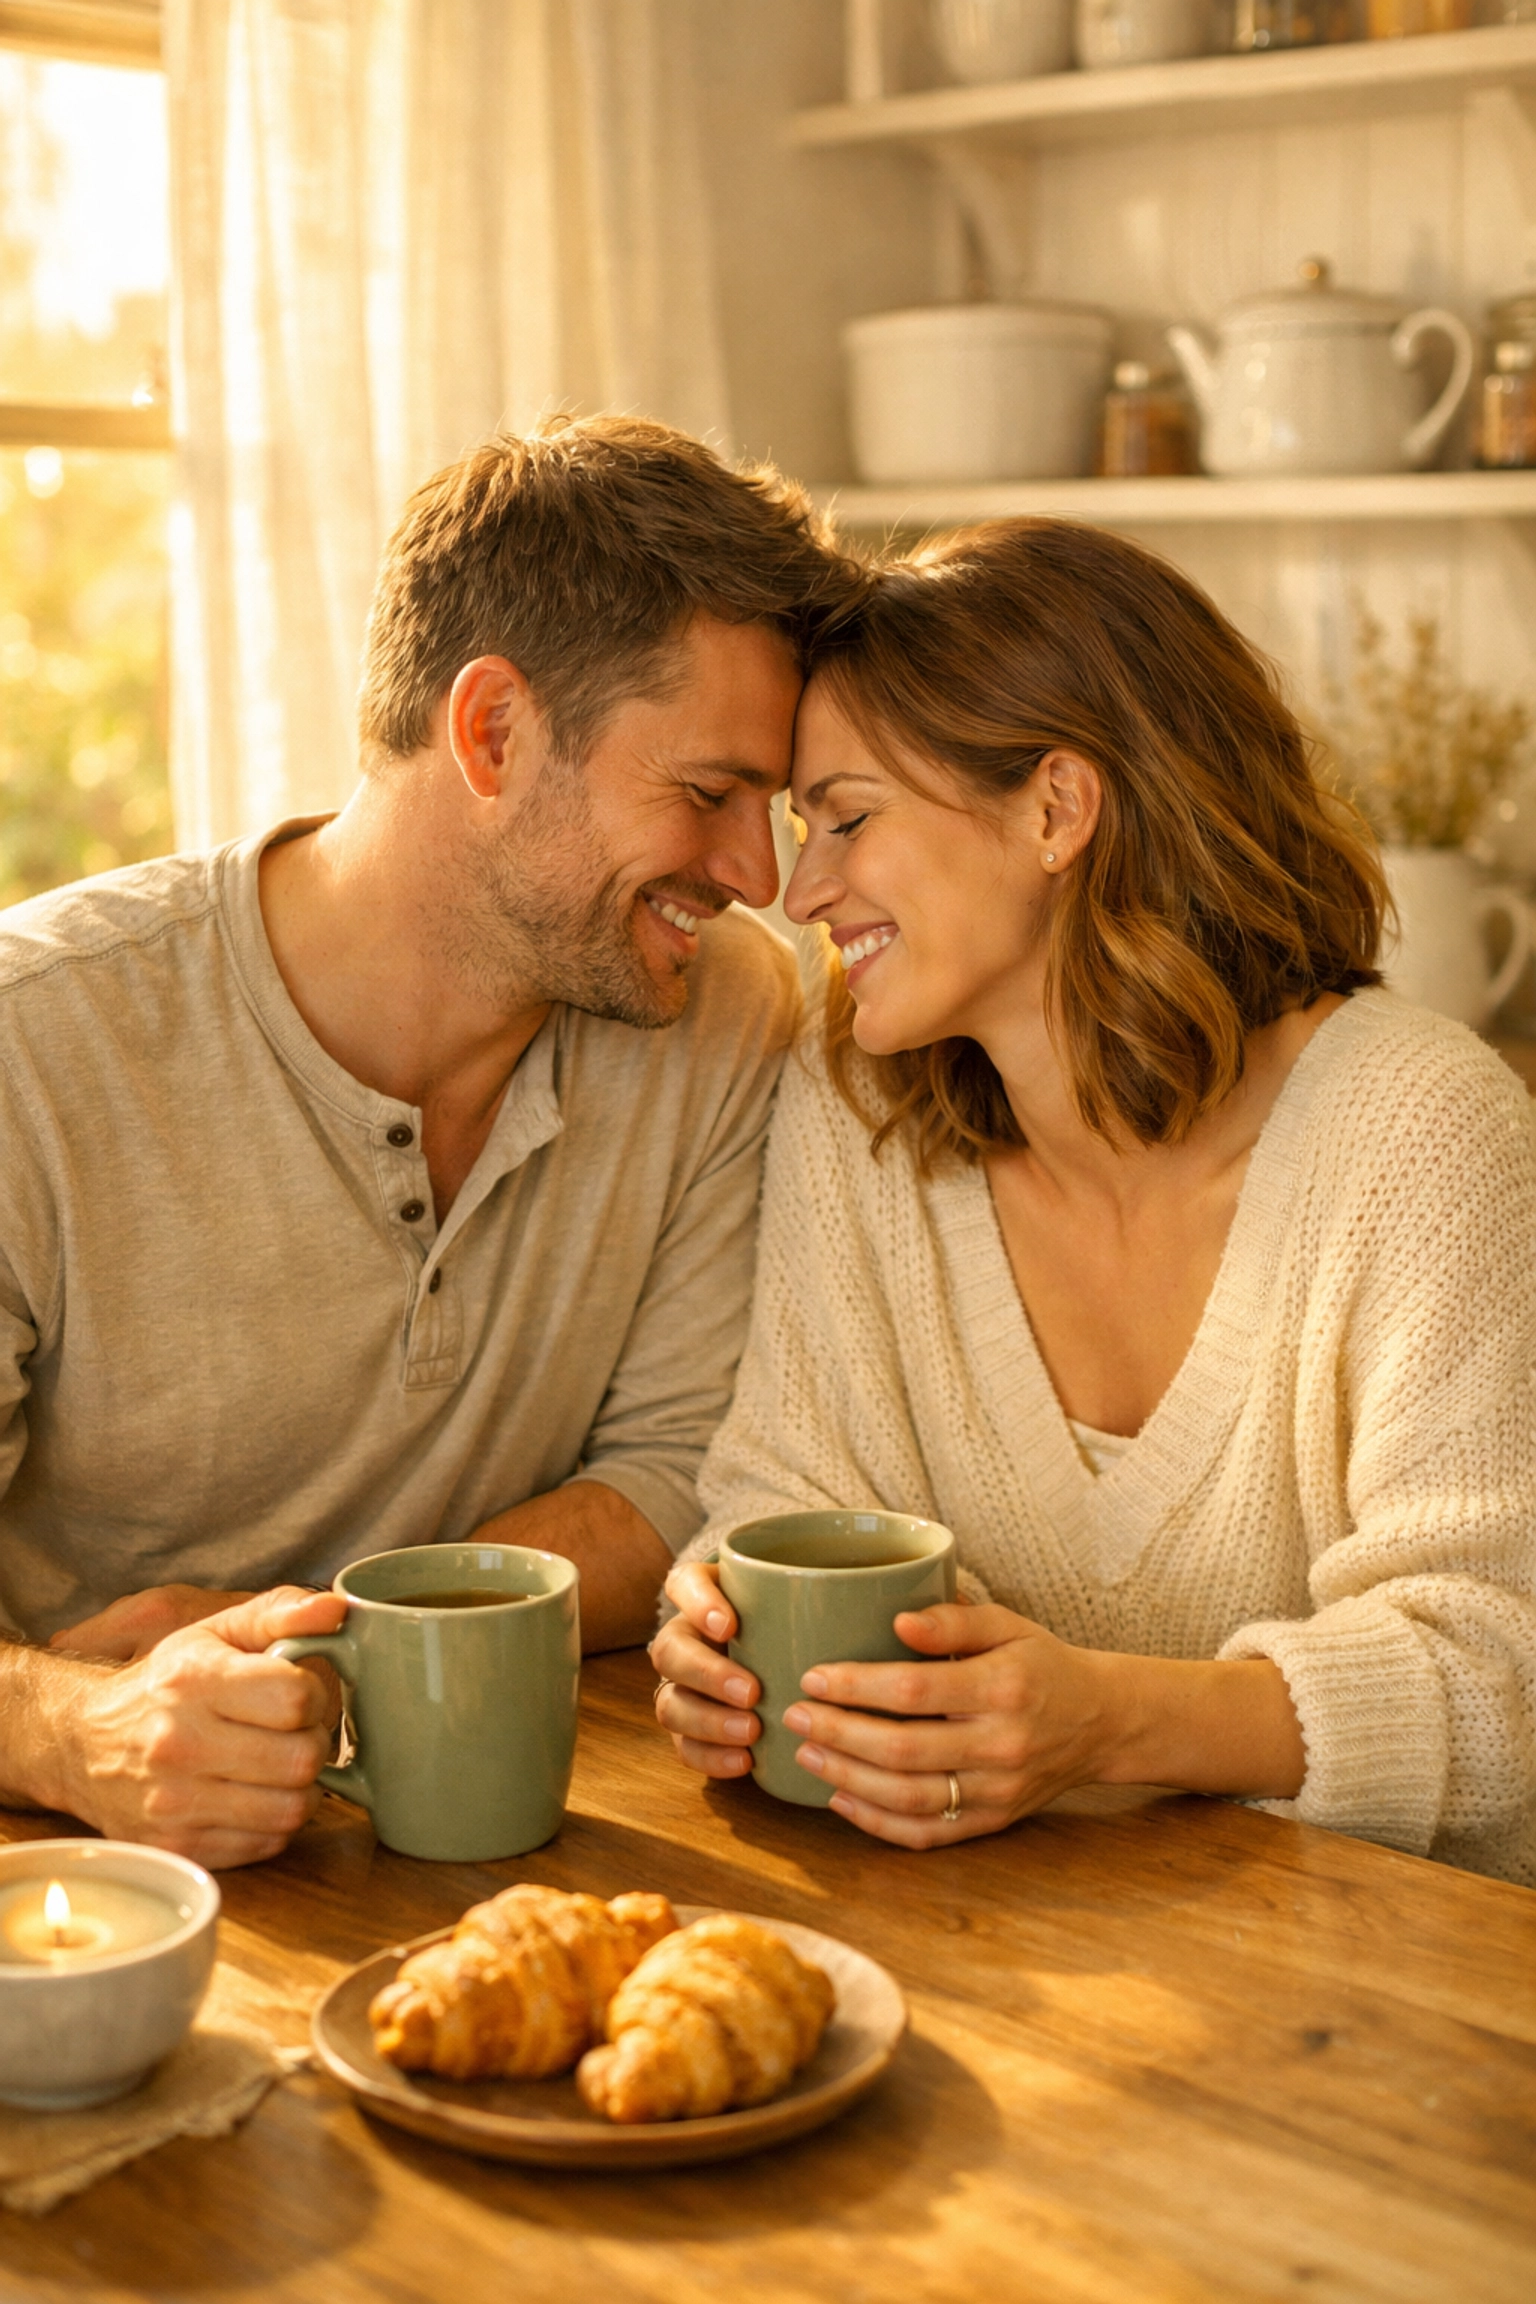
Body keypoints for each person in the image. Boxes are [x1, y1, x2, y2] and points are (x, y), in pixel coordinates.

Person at [0, 414, 865, 1869]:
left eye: (769, 808)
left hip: (504, 1821)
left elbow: (673, 1476)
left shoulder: (721, 1012)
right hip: (89, 1881)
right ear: (493, 732)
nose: (757, 875)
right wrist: (73, 1731)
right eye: (708, 795)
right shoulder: (32, 1044)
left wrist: (321, 1639)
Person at [653, 518, 1536, 1886]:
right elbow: (787, 1496)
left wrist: (1108, 1723)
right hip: (1004, 1939)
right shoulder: (859, 1111)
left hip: (1398, 1971)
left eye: (850, 818)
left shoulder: (1419, 1132)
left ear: (1057, 809)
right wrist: (717, 1621)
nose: (800, 889)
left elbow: (1499, 1675)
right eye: (798, 829)